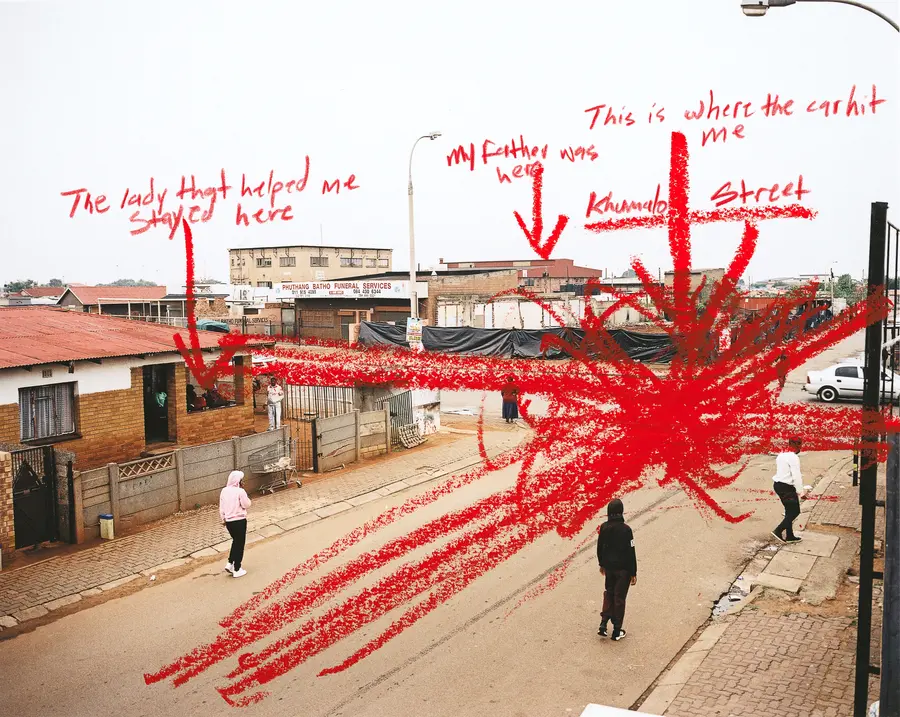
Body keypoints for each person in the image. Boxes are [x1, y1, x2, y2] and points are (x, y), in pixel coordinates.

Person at [597, 498, 637, 641]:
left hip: (609, 568)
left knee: (609, 593)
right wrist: (633, 572)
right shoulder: (626, 530)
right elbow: (631, 552)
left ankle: (603, 623)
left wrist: (602, 564)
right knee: (619, 598)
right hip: (623, 571)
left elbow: (600, 547)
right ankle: (617, 630)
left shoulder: (604, 527)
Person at [771, 438, 808, 543]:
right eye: (799, 444)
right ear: (793, 444)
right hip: (787, 487)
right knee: (795, 511)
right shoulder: (793, 457)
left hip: (778, 485)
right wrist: (801, 492)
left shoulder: (781, 454)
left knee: (789, 511)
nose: (800, 447)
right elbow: (796, 476)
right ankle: (778, 530)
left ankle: (790, 535)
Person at [219, 470, 251, 578]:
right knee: (240, 544)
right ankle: (237, 568)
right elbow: (246, 504)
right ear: (238, 481)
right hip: (240, 521)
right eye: (242, 480)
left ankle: (230, 563)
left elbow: (221, 507)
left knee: (235, 541)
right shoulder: (240, 492)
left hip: (229, 522)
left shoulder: (224, 491)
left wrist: (223, 518)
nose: (243, 482)